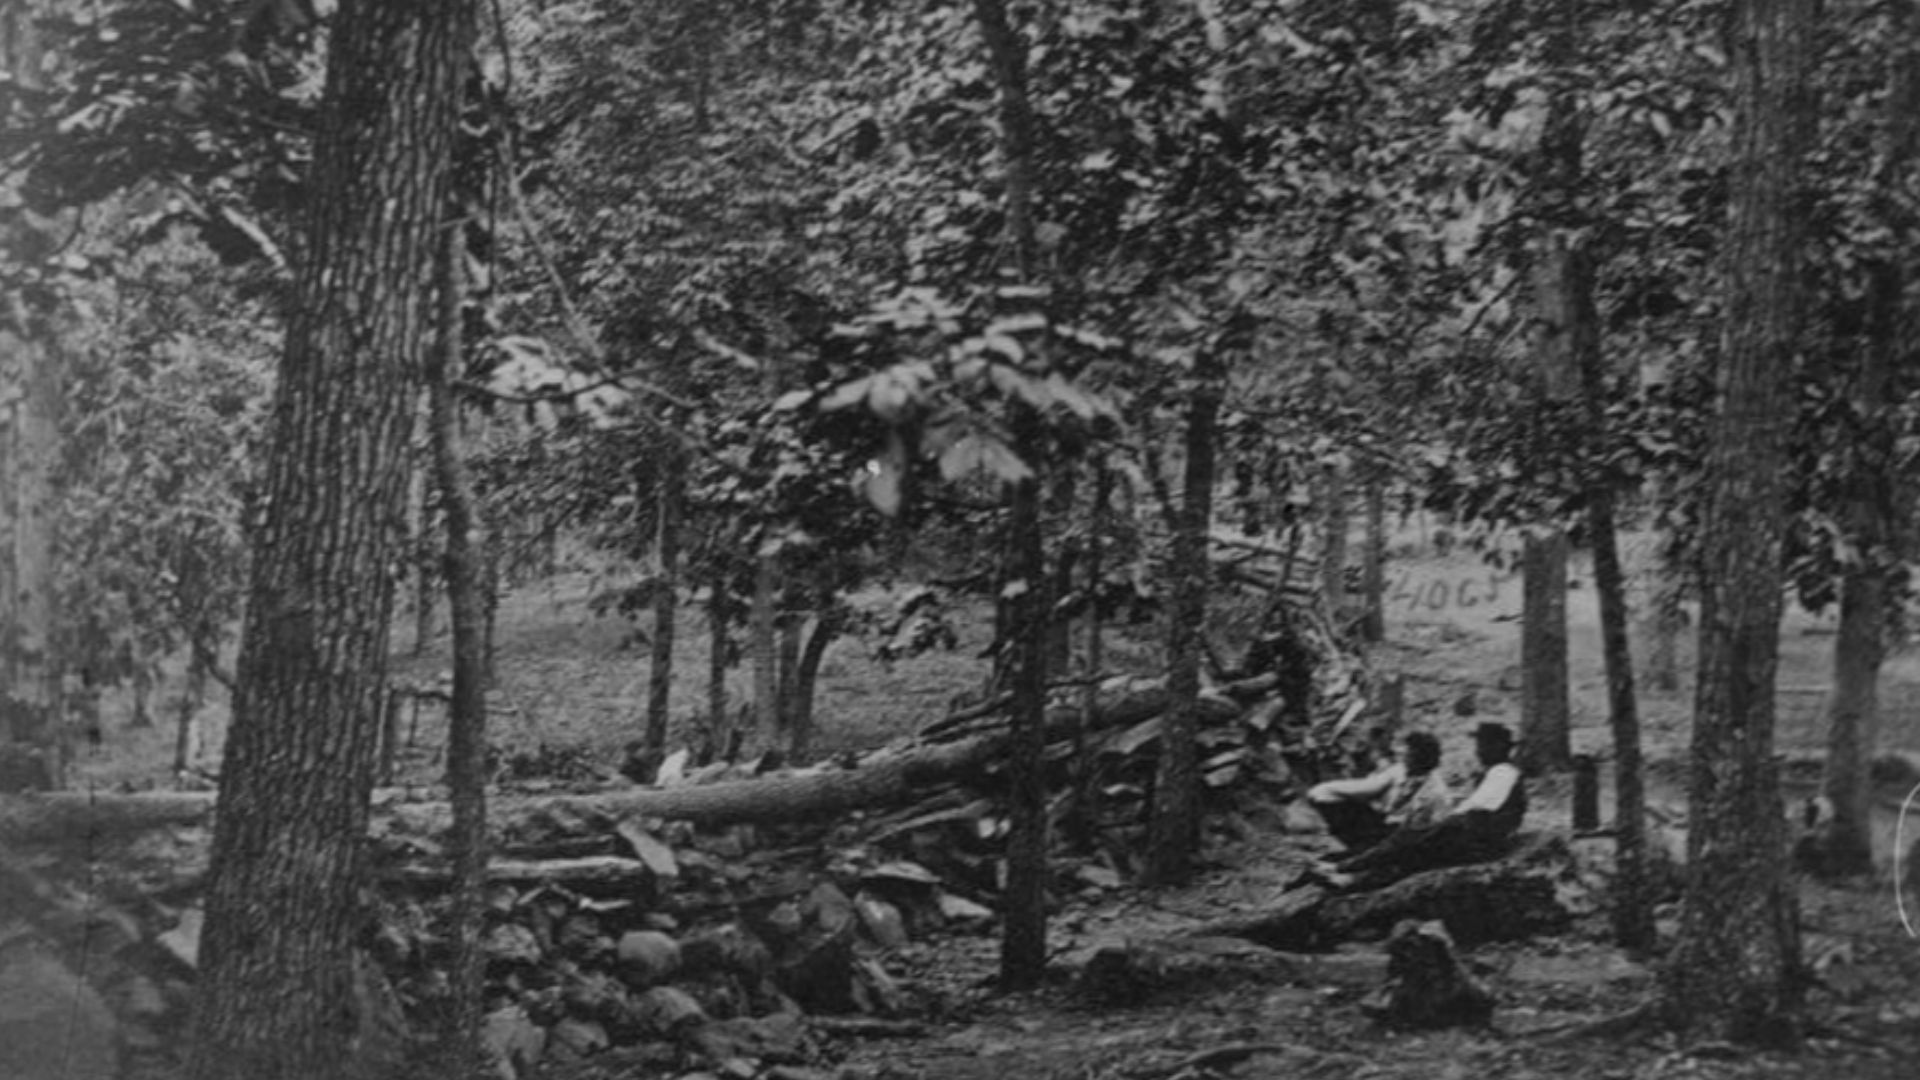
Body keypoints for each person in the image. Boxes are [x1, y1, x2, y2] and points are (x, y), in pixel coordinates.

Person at [1321, 721, 1528, 891]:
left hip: (1480, 840)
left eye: (1483, 745)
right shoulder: (1497, 772)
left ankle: (1346, 871)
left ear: (1499, 746)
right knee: (1407, 845)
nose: (1479, 750)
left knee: (1409, 845)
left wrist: (1441, 825)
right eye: (1479, 745)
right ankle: (1349, 871)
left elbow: (1477, 807)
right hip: (1477, 835)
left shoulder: (1503, 772)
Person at [1305, 731, 1454, 855]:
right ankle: (1357, 847)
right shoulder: (1399, 769)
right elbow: (1366, 787)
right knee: (1326, 797)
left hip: (1404, 836)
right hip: (1382, 825)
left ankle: (1364, 854)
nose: (1401, 753)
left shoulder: (1436, 792)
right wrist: (1325, 791)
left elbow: (1423, 832)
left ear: (1419, 756)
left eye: (1408, 752)